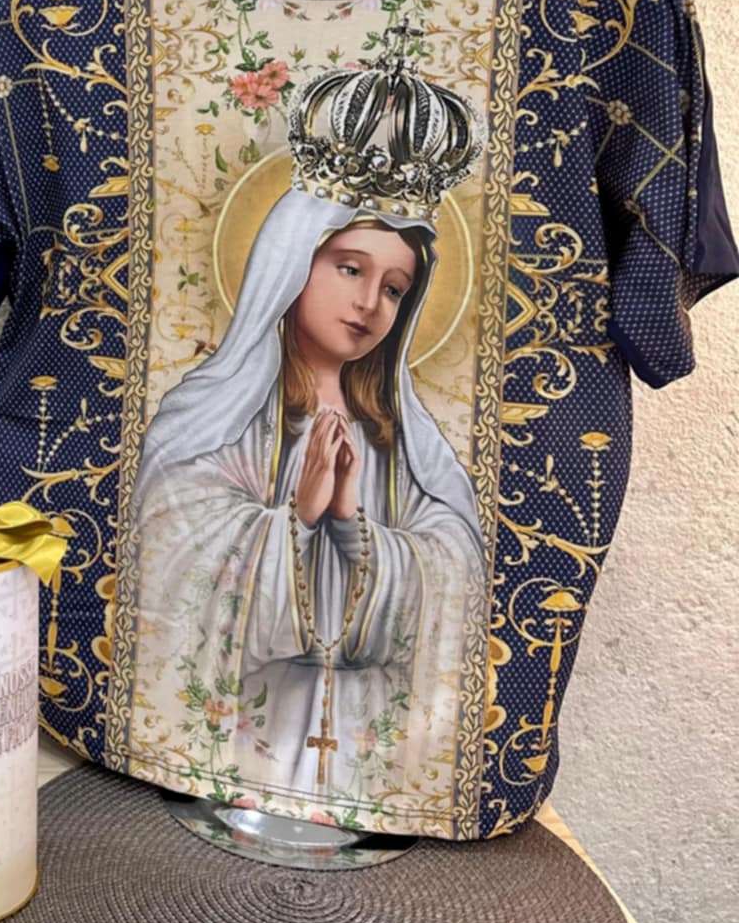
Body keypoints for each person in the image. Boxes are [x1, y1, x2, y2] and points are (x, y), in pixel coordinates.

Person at [129, 187, 486, 832]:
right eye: (350, 268)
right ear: (291, 261)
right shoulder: (220, 412)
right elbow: (168, 539)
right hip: (246, 723)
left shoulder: (401, 435)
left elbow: (456, 560)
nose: (370, 302)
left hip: (358, 730)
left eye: (394, 289)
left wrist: (353, 525)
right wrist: (294, 519)